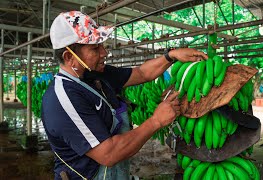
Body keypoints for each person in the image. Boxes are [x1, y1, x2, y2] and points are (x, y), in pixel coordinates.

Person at [42, 11, 208, 180]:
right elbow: (109, 154)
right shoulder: (63, 99)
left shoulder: (95, 74)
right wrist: (156, 121)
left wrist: (170, 56)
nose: (104, 53)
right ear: (70, 57)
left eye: (101, 45)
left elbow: (142, 73)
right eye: (95, 48)